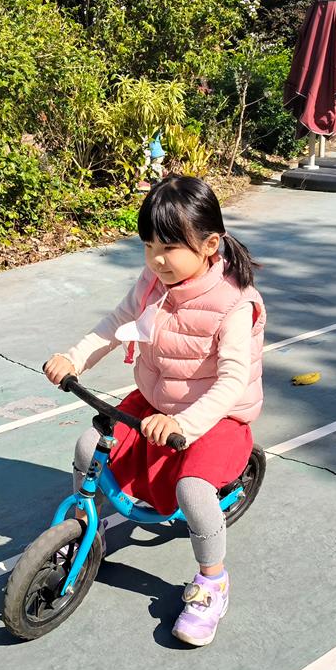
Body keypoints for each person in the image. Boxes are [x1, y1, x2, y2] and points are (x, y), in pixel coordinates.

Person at [44, 175, 265, 646]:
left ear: (209, 245)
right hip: (155, 403)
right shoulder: (153, 281)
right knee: (88, 448)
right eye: (148, 246)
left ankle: (212, 582)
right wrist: (74, 358)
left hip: (214, 416)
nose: (156, 259)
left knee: (193, 491)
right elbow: (116, 323)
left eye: (168, 247)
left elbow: (231, 381)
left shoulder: (234, 304)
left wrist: (184, 422)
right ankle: (85, 532)